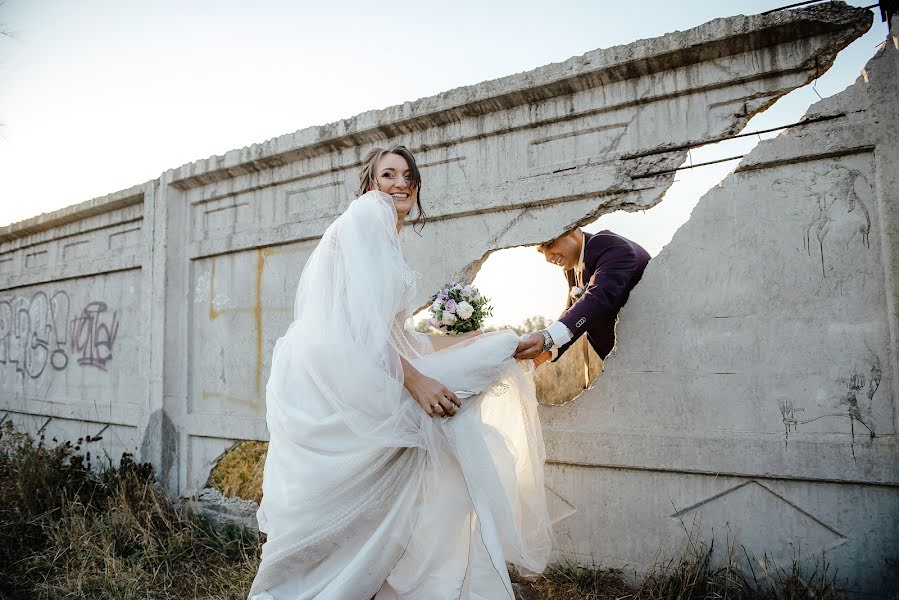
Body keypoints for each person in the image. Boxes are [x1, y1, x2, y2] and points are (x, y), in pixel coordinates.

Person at [248, 145, 552, 600]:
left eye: (408, 176)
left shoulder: (383, 235)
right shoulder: (367, 214)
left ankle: (411, 574)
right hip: (341, 367)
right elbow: (357, 327)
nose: (400, 183)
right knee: (444, 423)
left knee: (442, 433)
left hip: (353, 362)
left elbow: (402, 339)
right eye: (388, 174)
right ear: (370, 184)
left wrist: (488, 339)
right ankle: (435, 576)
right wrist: (417, 381)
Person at [514, 227, 650, 368]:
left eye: (549, 245)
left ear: (571, 229)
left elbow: (597, 299)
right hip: (626, 365)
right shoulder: (573, 268)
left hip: (652, 353)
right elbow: (573, 312)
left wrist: (547, 337)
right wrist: (549, 350)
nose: (547, 258)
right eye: (542, 252)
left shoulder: (607, 245)